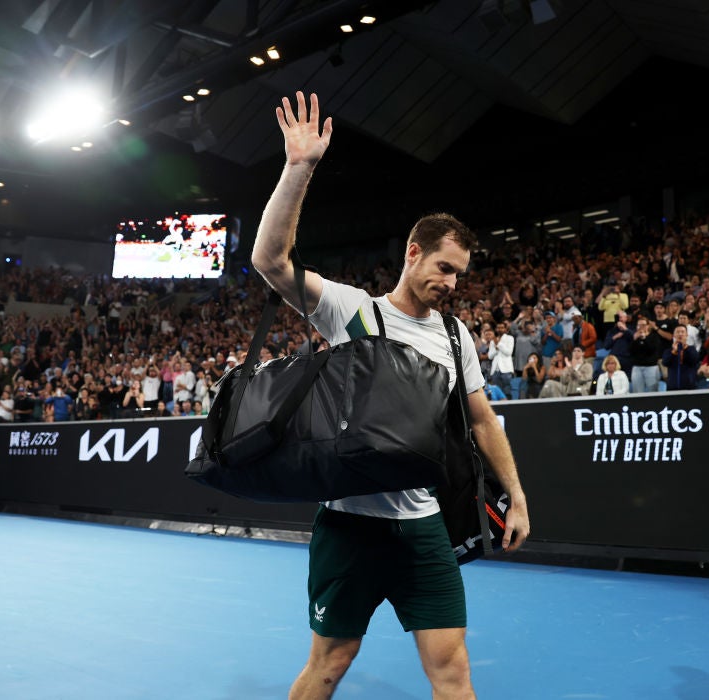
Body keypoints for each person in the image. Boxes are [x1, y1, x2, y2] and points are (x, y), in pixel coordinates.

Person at [250, 91, 529, 700]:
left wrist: (517, 495)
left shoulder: (457, 338)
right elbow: (271, 260)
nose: (452, 283)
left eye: (460, 274)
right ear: (412, 253)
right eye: (445, 267)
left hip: (423, 528)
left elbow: (483, 423)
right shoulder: (352, 311)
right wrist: (299, 168)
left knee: (452, 669)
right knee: (329, 664)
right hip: (349, 527)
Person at [662, 325, 699, 390]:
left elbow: (695, 360)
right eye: (678, 332)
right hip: (673, 386)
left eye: (682, 332)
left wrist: (685, 347)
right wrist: (673, 352)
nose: (680, 334)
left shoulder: (692, 349)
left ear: (687, 335)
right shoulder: (668, 351)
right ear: (674, 335)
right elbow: (665, 362)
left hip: (689, 386)